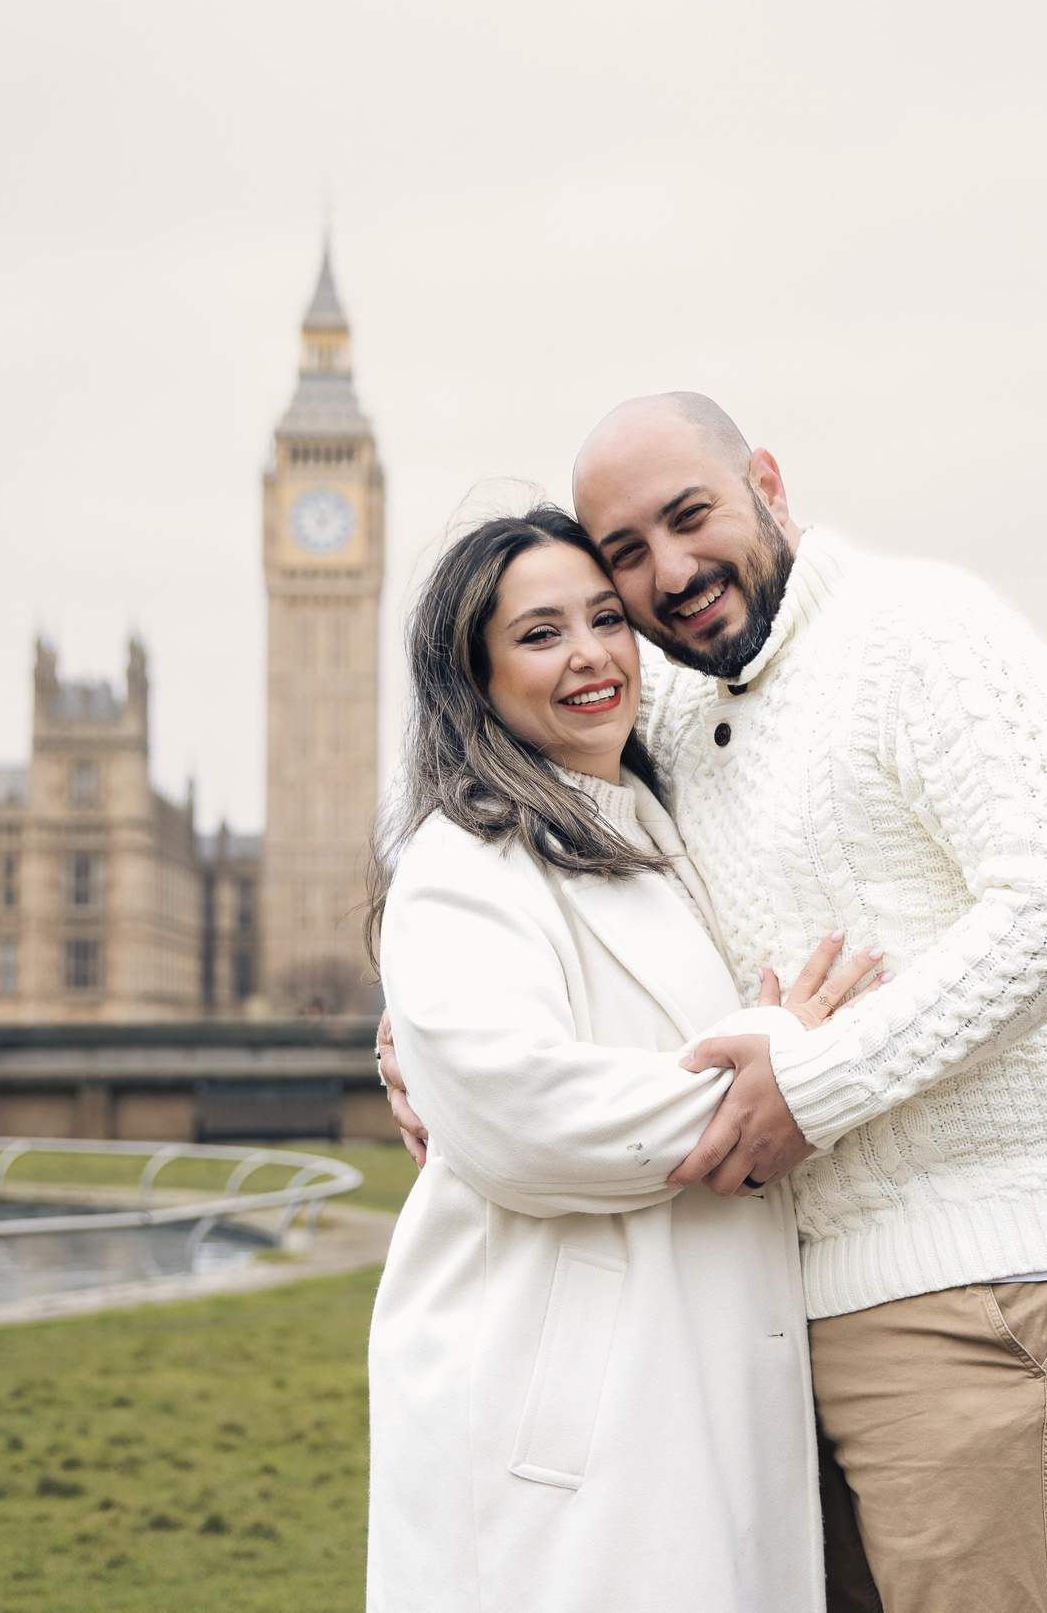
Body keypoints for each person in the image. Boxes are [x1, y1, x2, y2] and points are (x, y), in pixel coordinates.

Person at [367, 505, 881, 1613]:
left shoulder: (656, 822)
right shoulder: (466, 862)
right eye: (540, 634)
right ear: (474, 677)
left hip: (698, 1374)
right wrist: (785, 1066)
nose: (591, 654)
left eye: (606, 618)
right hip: (571, 1406)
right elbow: (519, 1116)